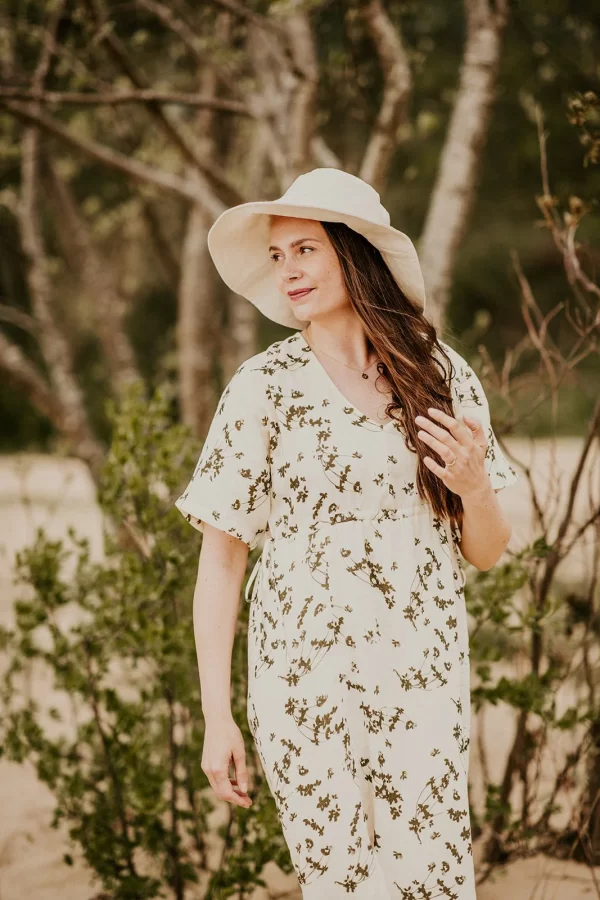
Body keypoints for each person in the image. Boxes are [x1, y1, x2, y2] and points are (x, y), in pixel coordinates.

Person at [175, 168, 519, 899]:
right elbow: (222, 560)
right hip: (300, 681)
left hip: (422, 673)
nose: (288, 270)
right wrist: (216, 715)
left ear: (353, 253)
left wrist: (476, 488)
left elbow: (486, 552)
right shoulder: (263, 387)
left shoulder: (441, 376)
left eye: (304, 249)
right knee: (339, 883)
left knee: (433, 879)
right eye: (277, 256)